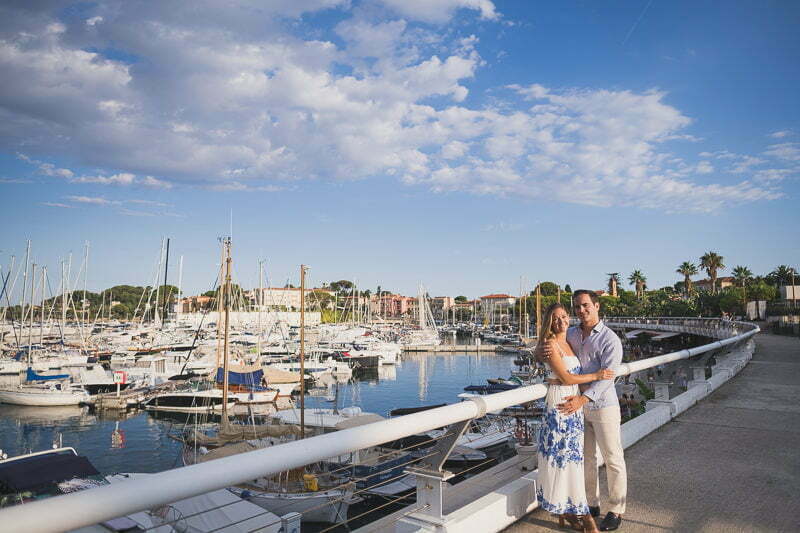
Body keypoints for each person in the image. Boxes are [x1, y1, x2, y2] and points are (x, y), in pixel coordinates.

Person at [538, 290, 627, 531]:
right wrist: (545, 362)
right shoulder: (572, 334)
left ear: (597, 306)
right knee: (586, 459)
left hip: (601, 405)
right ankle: (590, 504)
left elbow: (608, 378)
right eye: (577, 307)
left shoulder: (610, 339)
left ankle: (616, 510)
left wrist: (582, 399)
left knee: (613, 458)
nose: (581, 310)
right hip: (574, 407)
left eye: (586, 305)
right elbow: (549, 352)